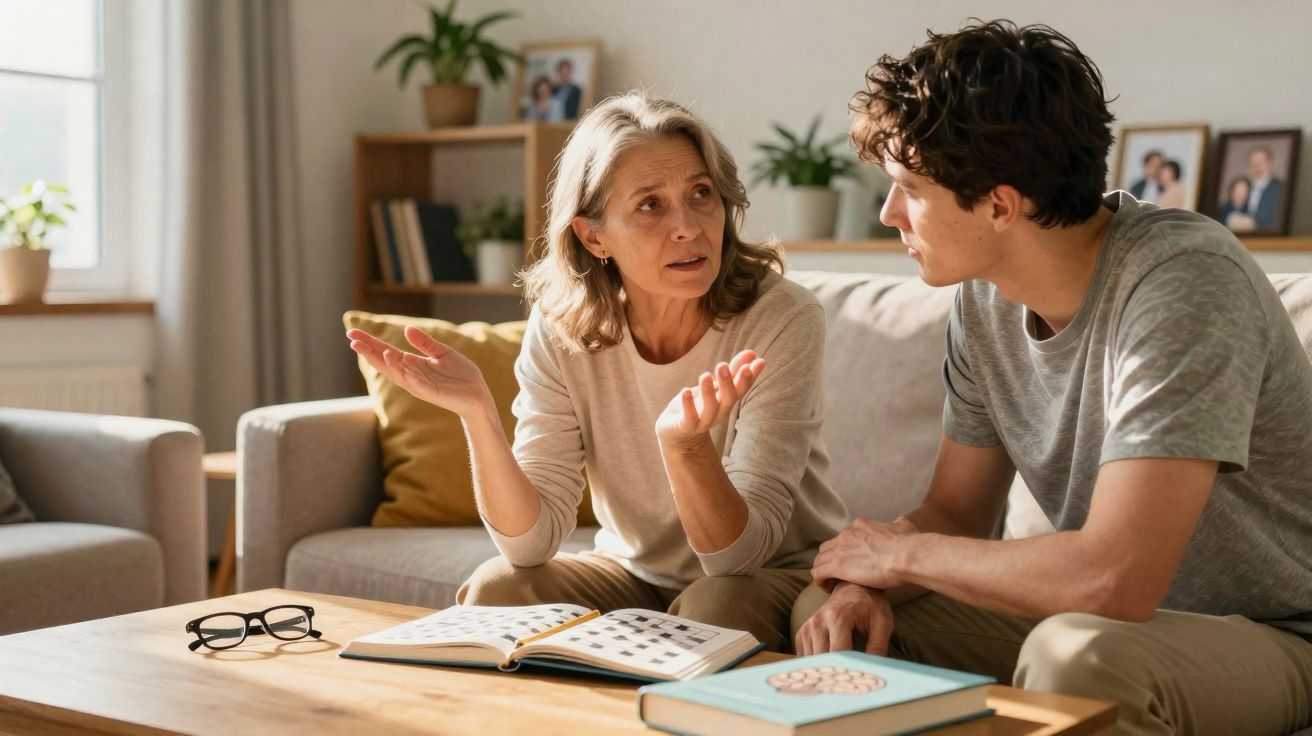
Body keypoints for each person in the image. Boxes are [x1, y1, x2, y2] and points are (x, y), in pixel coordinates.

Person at [793, 20, 1312, 736]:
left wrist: (901, 554)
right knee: (831, 619)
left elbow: (1115, 579)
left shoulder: (1184, 284)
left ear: (1002, 205)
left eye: (910, 189)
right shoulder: (983, 299)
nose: (889, 214)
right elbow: (955, 512)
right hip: (1096, 617)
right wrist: (864, 581)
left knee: (1079, 659)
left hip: (1274, 634)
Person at [348, 92, 846, 652]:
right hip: (634, 573)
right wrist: (478, 416)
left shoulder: (780, 317)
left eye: (700, 194)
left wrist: (685, 447)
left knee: (715, 602)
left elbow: (736, 556)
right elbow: (530, 546)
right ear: (593, 236)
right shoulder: (562, 327)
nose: (688, 226)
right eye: (650, 205)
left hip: (769, 573)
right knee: (499, 588)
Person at [1246, 147, 1284, 229]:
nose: (1256, 168)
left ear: (1270, 164)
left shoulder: (1281, 189)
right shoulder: (1244, 187)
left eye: (1260, 163)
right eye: (1252, 164)